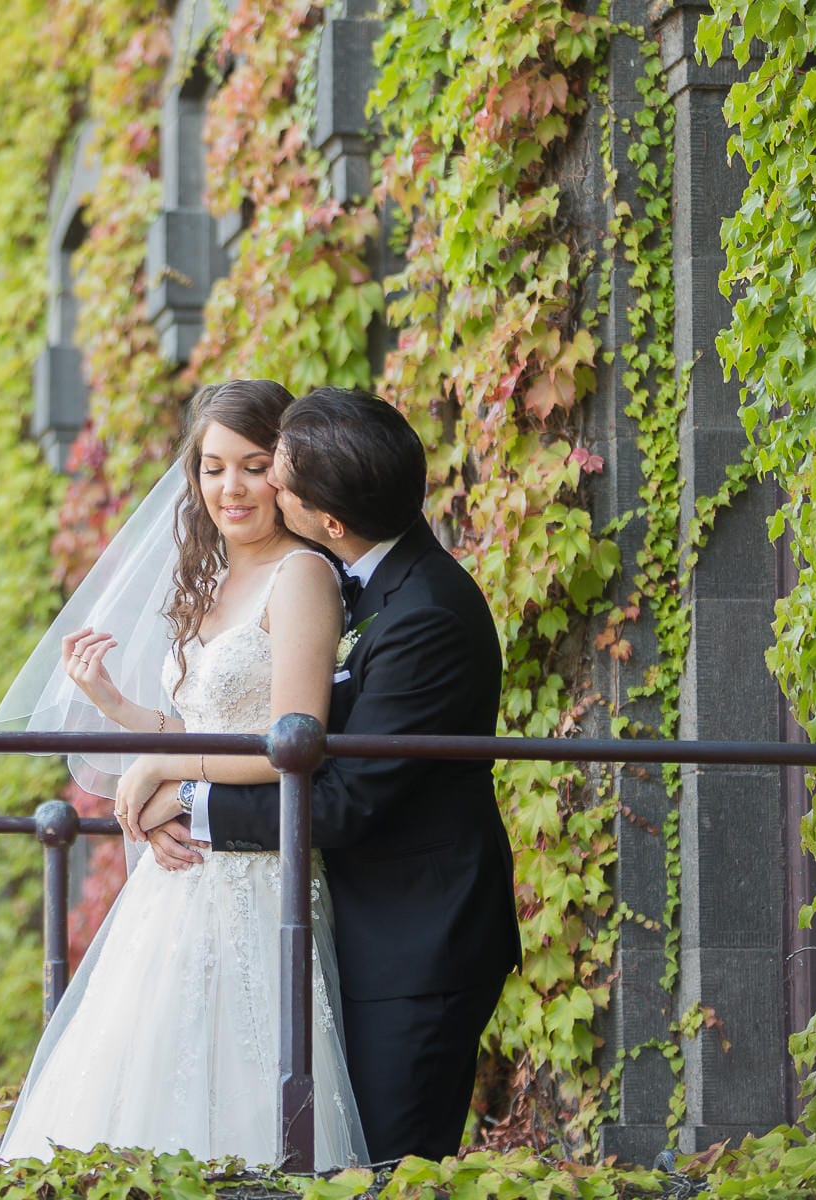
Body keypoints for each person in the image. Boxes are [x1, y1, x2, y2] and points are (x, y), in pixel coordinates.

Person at [119, 387, 522, 1164]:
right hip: (367, 923)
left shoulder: (425, 615)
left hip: (419, 943)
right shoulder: (374, 585)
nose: (263, 488)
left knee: (386, 1170)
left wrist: (188, 801)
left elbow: (342, 803)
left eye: (279, 475)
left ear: (328, 521)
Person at [0, 379, 368, 1170]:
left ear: (289, 471)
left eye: (255, 465)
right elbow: (206, 730)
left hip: (257, 876)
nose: (231, 488)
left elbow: (289, 742)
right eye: (212, 467)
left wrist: (166, 772)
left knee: (240, 1089)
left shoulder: (302, 576)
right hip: (177, 884)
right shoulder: (211, 579)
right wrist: (122, 709)